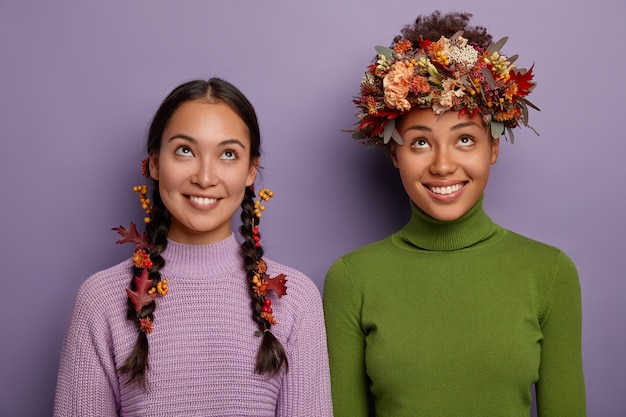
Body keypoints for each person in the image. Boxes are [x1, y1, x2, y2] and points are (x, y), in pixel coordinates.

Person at [323, 11, 585, 417]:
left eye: (464, 139)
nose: (443, 166)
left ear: (493, 147)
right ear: (395, 154)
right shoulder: (351, 280)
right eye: (420, 143)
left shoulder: (549, 273)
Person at [53, 77, 333, 416]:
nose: (204, 176)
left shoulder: (295, 299)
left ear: (251, 171)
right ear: (154, 163)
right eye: (185, 150)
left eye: (228, 154)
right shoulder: (100, 300)